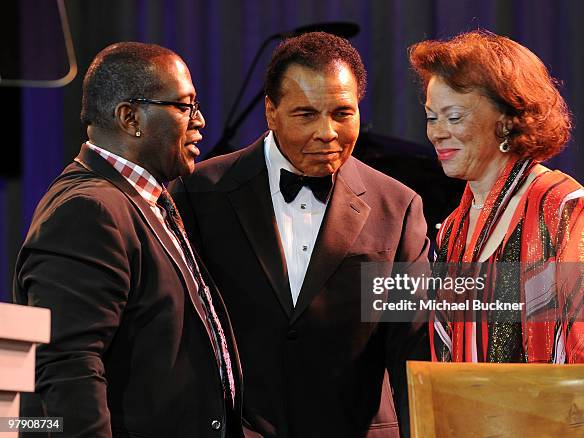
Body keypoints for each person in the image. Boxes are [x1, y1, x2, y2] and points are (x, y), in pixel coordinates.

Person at [169, 32, 430, 437]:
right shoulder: (200, 192)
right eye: (306, 114)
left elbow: (410, 348)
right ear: (271, 113)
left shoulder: (397, 207)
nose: (327, 132)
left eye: (342, 113)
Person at [13, 42, 243, 437]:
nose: (200, 120)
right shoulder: (89, 210)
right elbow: (67, 368)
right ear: (130, 117)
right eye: (185, 106)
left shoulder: (140, 199)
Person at [408, 30, 584, 363]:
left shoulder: (565, 208)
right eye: (432, 117)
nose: (436, 132)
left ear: (506, 121)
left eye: (453, 117)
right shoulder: (452, 228)